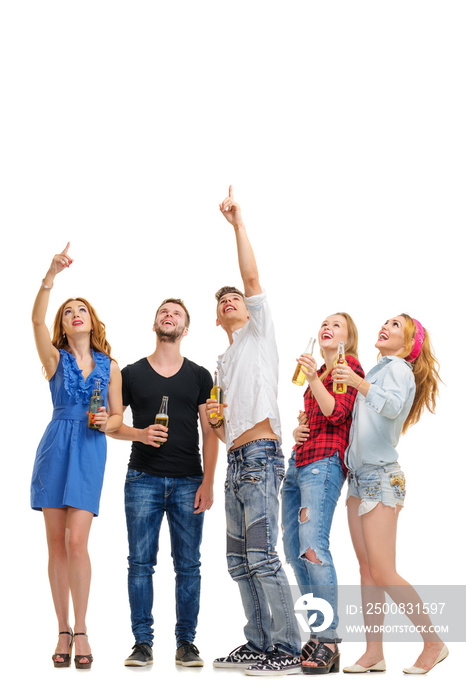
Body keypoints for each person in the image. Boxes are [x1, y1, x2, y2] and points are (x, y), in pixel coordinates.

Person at [207, 186, 302, 676]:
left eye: (235, 298)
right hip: (236, 463)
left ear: (247, 308)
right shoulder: (221, 363)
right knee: (238, 562)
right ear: (216, 315)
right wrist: (215, 423)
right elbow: (225, 433)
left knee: (263, 557)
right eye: (221, 300)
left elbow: (250, 275)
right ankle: (260, 642)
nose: (229, 300)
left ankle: (287, 649)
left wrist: (237, 223)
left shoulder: (259, 332)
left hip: (263, 457)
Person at [334, 314, 448, 675]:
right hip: (359, 479)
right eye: (385, 322)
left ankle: (434, 642)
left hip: (381, 479)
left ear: (410, 343)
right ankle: (374, 653)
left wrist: (356, 382)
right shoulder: (376, 371)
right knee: (367, 569)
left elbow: (394, 406)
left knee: (383, 570)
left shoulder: (398, 368)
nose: (385, 326)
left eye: (396, 325)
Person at [108, 298, 218, 668]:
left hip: (190, 480)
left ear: (185, 330)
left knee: (188, 565)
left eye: (176, 314)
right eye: (163, 312)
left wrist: (208, 481)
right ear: (155, 324)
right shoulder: (132, 373)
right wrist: (139, 433)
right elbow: (111, 423)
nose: (168, 316)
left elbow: (210, 431)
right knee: (140, 563)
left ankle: (186, 643)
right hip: (142, 479)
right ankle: (143, 643)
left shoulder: (201, 375)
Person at [31, 243, 123, 669]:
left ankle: (82, 627)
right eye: (68, 311)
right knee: (55, 544)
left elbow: (119, 415)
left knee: (76, 540)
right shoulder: (55, 359)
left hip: (89, 448)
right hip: (55, 446)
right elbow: (35, 319)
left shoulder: (111, 366)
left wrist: (108, 419)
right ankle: (62, 629)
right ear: (64, 327)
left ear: (92, 320)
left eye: (80, 308)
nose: (75, 313)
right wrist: (51, 276)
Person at [282, 313, 364, 674]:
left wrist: (315, 377)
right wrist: (299, 429)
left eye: (337, 325)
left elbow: (335, 414)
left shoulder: (348, 366)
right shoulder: (322, 374)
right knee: (294, 548)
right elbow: (314, 417)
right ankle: (318, 632)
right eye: (324, 324)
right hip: (298, 463)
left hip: (324, 464)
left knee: (313, 545)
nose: (326, 328)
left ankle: (329, 639)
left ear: (348, 338)